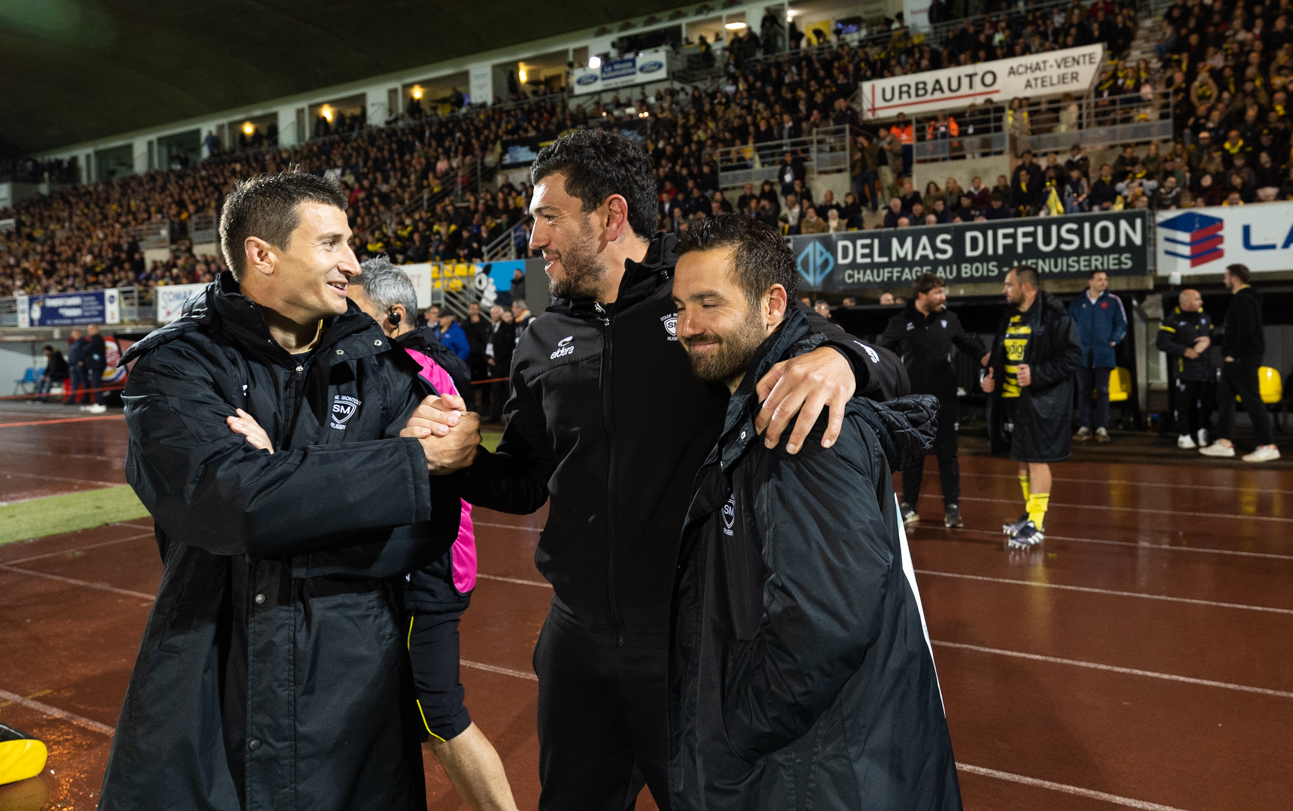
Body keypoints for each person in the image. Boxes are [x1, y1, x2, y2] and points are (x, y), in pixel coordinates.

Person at [431, 129, 901, 810]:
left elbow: (887, 369)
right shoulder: (540, 337)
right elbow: (528, 479)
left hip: (690, 642)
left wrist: (845, 361)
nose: (533, 239)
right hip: (575, 640)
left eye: (548, 216)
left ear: (611, 216)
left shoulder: (701, 305)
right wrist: (461, 461)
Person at [100, 171, 472, 811]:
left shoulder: (380, 365)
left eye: (349, 244)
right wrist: (397, 463)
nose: (351, 264)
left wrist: (284, 481)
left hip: (355, 688)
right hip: (208, 678)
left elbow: (428, 526)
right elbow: (228, 504)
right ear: (262, 254)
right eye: (331, 244)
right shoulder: (177, 366)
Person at [667, 215, 961, 810]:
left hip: (817, 768)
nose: (687, 326)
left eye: (707, 303)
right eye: (679, 307)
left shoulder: (801, 417)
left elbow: (827, 619)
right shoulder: (757, 390)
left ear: (772, 304)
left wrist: (737, 726)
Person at [345, 258, 515, 811]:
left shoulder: (413, 367)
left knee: (437, 715)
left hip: (429, 566)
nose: (345, 323)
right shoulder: (415, 361)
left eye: (357, 312)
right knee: (398, 713)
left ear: (393, 315)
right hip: (424, 561)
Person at [981, 265, 1081, 549]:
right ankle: (1029, 514)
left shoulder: (1055, 315)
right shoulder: (1009, 315)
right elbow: (999, 356)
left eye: (1008, 284)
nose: (1004, 290)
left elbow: (1073, 357)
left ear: (1025, 287)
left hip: (1043, 401)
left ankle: (1036, 522)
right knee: (1024, 458)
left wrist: (1037, 374)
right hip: (1014, 401)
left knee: (1037, 459)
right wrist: (989, 380)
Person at [879, 273, 986, 529]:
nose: (943, 297)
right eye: (938, 293)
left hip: (945, 401)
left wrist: (989, 359)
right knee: (913, 455)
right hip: (912, 403)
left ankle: (952, 507)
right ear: (921, 295)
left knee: (948, 455)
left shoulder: (949, 319)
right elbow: (883, 353)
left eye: (943, 292)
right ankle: (909, 506)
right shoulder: (900, 321)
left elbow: (969, 345)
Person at [1199, 264, 1279, 462]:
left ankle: (1268, 445)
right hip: (1235, 359)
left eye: (1225, 276)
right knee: (1224, 399)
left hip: (1242, 359)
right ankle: (1225, 443)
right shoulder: (1241, 300)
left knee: (1252, 401)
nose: (1224, 280)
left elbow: (1247, 330)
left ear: (1234, 278)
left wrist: (1233, 354)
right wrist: (1212, 340)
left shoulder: (1243, 299)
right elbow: (1232, 332)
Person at [1069, 271, 1127, 443]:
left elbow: (1122, 323)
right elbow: (1069, 324)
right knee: (1083, 390)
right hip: (1082, 354)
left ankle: (1101, 427)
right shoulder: (1078, 302)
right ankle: (1085, 426)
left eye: (1105, 279)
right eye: (1100, 279)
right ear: (1090, 282)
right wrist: (1074, 345)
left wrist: (1114, 340)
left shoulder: (1113, 301)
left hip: (1104, 354)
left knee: (1103, 391)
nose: (1104, 282)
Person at [1156, 288, 1214, 449]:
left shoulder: (1205, 317)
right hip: (1184, 371)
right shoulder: (1171, 320)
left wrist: (1209, 340)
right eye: (1197, 299)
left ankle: (1203, 432)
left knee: (1204, 404)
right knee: (1183, 405)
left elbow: (1212, 335)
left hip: (1204, 371)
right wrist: (1184, 351)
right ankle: (1184, 434)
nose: (1201, 302)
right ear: (1186, 302)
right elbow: (1161, 343)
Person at [81, 324, 110, 413]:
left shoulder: (97, 339)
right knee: (95, 384)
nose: (89, 331)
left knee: (97, 384)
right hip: (95, 366)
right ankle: (98, 402)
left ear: (96, 329)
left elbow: (87, 349)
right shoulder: (94, 339)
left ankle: (101, 404)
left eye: (91, 329)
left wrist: (87, 349)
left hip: (98, 366)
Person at [65, 329, 88, 405]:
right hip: (73, 365)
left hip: (79, 366)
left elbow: (86, 352)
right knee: (74, 383)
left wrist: (82, 361)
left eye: (74, 333)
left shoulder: (83, 342)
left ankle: (86, 398)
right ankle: (72, 398)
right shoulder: (73, 342)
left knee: (84, 382)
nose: (73, 335)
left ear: (79, 333)